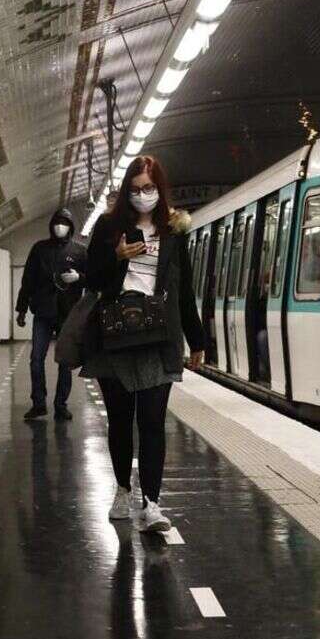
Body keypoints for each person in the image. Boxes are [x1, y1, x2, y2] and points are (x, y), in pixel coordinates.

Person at [83, 155, 204, 532]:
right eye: (135, 189)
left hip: (158, 336)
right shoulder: (107, 227)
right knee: (120, 420)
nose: (142, 195)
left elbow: (184, 288)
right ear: (125, 191)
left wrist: (196, 338)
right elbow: (94, 280)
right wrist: (117, 259)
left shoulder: (172, 231)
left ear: (159, 188)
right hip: (115, 335)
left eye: (148, 188)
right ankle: (122, 488)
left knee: (152, 421)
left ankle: (152, 503)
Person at [16, 208, 86, 420]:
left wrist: (79, 278)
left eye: (64, 222)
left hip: (68, 313)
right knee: (36, 359)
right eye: (57, 222)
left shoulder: (80, 251)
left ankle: (60, 405)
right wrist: (21, 309)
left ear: (71, 226)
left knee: (65, 361)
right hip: (43, 312)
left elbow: (93, 278)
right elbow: (27, 280)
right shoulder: (39, 249)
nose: (60, 226)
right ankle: (39, 403)